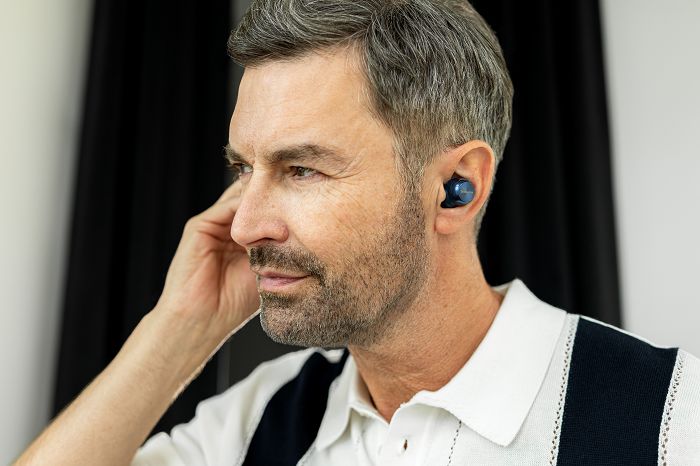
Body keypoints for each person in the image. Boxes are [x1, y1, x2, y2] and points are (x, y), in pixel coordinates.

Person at [15, 0, 700, 465]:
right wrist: (179, 330)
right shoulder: (258, 423)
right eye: (244, 168)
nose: (245, 225)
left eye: (302, 169)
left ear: (456, 188)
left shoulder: (672, 421)